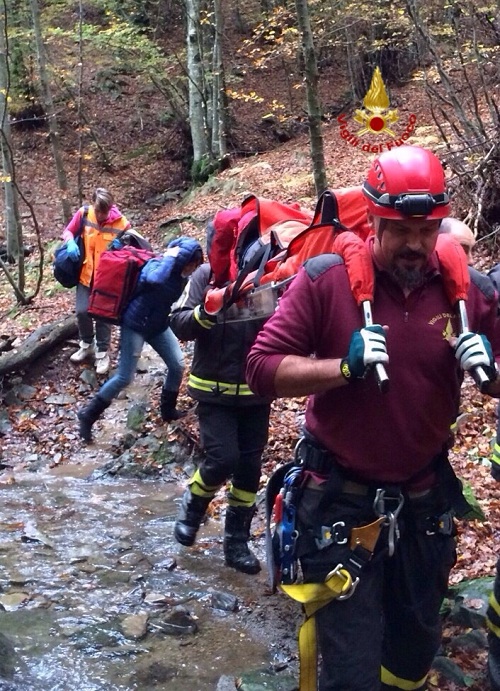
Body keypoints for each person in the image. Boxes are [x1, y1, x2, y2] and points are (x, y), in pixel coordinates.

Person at [246, 145, 500, 690]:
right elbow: (261, 368)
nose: (414, 245)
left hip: (424, 502)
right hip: (341, 504)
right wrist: (343, 367)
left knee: (412, 654)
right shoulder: (325, 282)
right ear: (374, 220)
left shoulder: (469, 294)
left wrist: (492, 370)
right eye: (398, 230)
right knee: (351, 671)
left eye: (426, 231)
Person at [169, 246, 272, 574]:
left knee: (249, 469)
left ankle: (236, 541)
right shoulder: (204, 276)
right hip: (214, 391)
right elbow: (179, 322)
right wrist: (209, 309)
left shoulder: (268, 280)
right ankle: (193, 507)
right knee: (222, 458)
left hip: (256, 393)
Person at [77, 236, 203, 442]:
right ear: (182, 260)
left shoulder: (183, 276)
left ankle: (168, 410)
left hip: (158, 325)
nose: (193, 268)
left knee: (178, 364)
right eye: (192, 263)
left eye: (196, 265)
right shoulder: (156, 265)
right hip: (135, 324)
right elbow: (154, 280)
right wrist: (170, 258)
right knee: (124, 377)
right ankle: (88, 415)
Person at [61, 188, 131, 375]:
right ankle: (86, 344)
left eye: (104, 211)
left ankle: (102, 353)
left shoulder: (122, 223)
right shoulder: (84, 213)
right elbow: (68, 231)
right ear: (93, 204)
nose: (101, 215)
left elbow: (132, 248)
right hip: (86, 273)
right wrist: (70, 242)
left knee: (102, 315)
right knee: (83, 311)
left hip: (107, 278)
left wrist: (122, 246)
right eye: (98, 210)